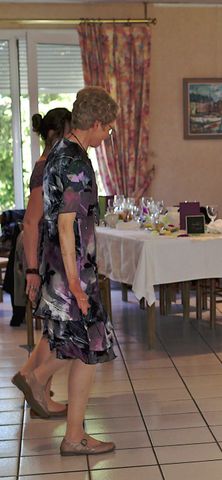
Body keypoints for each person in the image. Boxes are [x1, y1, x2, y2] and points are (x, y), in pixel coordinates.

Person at [12, 86, 118, 455]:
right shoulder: (75, 161)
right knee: (88, 349)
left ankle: (58, 411)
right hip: (72, 273)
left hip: (59, 269)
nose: (108, 136)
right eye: (108, 129)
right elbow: (65, 224)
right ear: (98, 122)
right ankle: (68, 429)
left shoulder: (58, 152)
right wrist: (76, 283)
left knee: (79, 348)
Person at [12, 107, 71, 418]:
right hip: (49, 256)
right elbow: (30, 222)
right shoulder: (46, 166)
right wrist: (33, 270)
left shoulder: (50, 164)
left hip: (52, 254)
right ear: (62, 132)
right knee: (62, 328)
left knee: (54, 329)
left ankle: (33, 384)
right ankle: (36, 387)